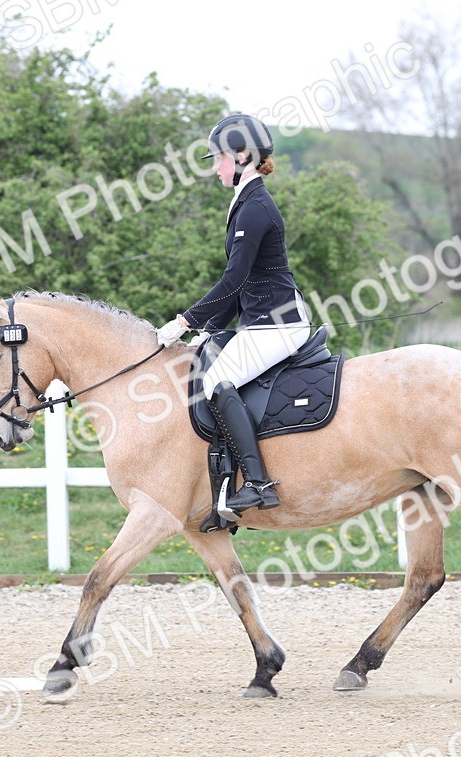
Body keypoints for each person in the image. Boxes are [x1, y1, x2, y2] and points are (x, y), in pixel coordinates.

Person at [156, 114, 312, 516]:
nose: (214, 167)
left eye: (219, 158)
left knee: (216, 382)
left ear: (242, 156)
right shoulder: (244, 201)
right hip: (261, 320)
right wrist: (210, 329)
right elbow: (240, 285)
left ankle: (259, 484)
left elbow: (233, 278)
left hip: (277, 324)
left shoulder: (255, 206)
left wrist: (185, 321)